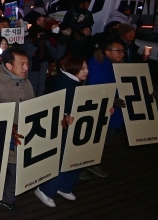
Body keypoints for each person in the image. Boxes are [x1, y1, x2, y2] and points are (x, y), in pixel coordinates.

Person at [34, 55, 114, 206]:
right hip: (65, 132)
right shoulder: (63, 86)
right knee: (64, 160)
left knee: (78, 158)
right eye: (82, 68)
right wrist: (65, 116)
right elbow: (52, 108)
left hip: (80, 129)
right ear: (72, 69)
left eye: (86, 67)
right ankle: (45, 189)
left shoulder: (81, 84)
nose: (86, 71)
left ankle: (65, 187)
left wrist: (104, 110)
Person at [0, 47, 34, 220]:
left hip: (21, 136)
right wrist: (8, 127)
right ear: (9, 65)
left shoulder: (26, 82)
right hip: (2, 140)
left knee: (16, 171)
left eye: (27, 63)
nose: (26, 67)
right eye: (22, 64)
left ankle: (8, 199)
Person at [84, 38, 128, 179]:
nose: (122, 54)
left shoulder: (119, 65)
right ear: (107, 52)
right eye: (118, 51)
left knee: (106, 140)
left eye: (123, 51)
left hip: (114, 111)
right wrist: (110, 98)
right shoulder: (97, 64)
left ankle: (91, 162)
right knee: (93, 138)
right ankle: (81, 165)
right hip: (99, 109)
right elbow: (94, 87)